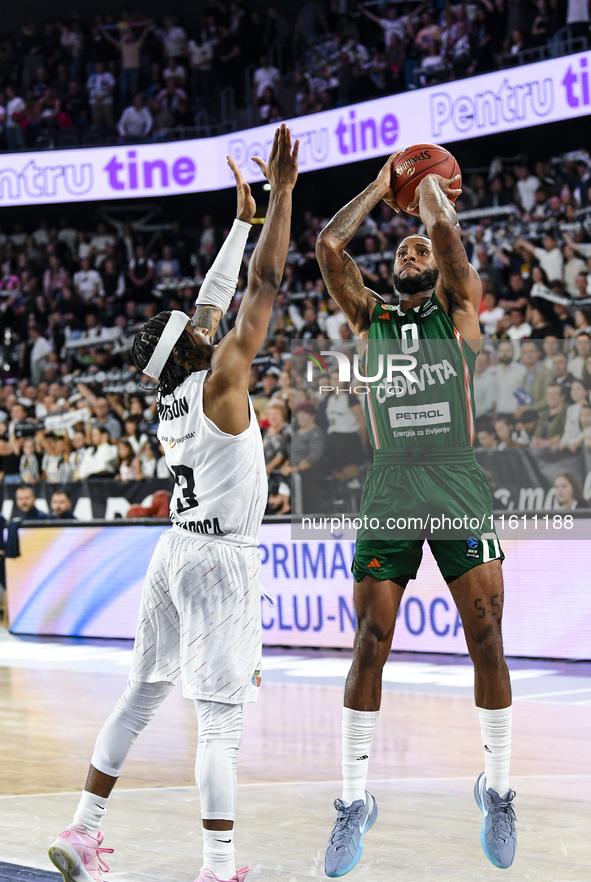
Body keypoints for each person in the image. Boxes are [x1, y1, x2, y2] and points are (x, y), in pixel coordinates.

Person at [48, 124, 299, 882]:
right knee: (220, 719)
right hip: (219, 558)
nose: (198, 319)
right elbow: (260, 288)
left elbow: (214, 297)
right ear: (195, 347)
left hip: (172, 550)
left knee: (142, 693)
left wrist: (240, 222)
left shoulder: (174, 393)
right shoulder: (222, 380)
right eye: (192, 327)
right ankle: (218, 867)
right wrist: (283, 197)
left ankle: (84, 829)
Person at [316, 154, 515, 875]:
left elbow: (444, 232)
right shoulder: (370, 314)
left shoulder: (457, 304)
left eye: (421, 247)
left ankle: (495, 789)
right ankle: (351, 804)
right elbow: (330, 249)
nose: (411, 248)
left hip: (456, 477)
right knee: (370, 639)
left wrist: (427, 182)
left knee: (486, 634)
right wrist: (380, 185)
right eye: (403, 245)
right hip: (390, 485)